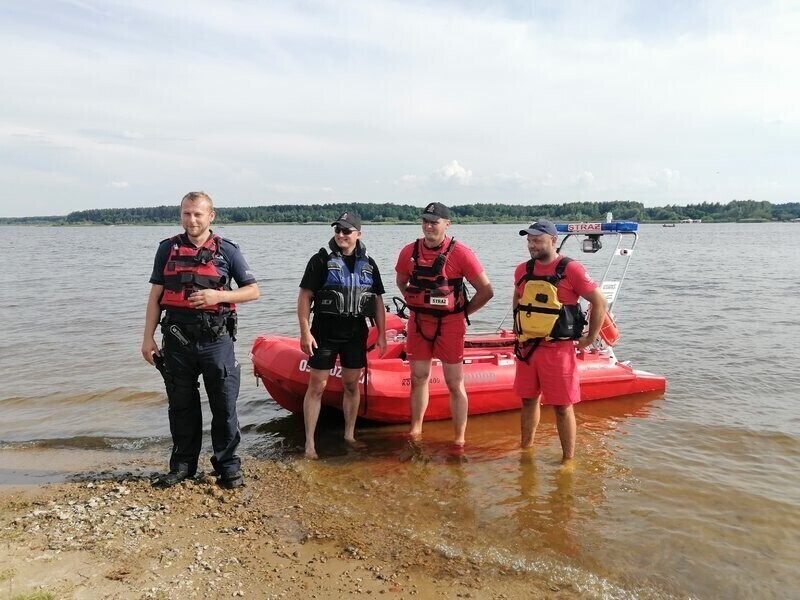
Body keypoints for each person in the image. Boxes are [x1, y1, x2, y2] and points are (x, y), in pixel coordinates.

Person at [141, 192, 260, 489]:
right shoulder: (167, 249)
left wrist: (219, 295)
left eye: (197, 214)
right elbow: (156, 296)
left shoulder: (228, 251)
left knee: (224, 406)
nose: (191, 220)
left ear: (211, 216)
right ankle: (182, 466)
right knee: (181, 406)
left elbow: (252, 291)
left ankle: (228, 467)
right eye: (186, 214)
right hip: (177, 340)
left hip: (216, 340)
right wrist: (147, 338)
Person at [395, 202, 493, 446]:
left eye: (434, 222)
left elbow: (486, 290)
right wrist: (416, 303)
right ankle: (416, 429)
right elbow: (401, 282)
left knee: (454, 382)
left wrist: (461, 313)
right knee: (418, 377)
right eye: (425, 221)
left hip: (450, 324)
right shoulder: (409, 251)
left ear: (446, 224)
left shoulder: (461, 253)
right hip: (419, 323)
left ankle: (459, 439)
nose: (429, 226)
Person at [512, 219, 607, 463]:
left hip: (558, 349)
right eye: (530, 241)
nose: (532, 245)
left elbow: (599, 302)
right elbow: (518, 297)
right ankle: (526, 449)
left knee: (563, 406)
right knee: (528, 400)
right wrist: (517, 329)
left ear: (553, 241)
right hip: (528, 346)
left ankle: (568, 460)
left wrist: (591, 337)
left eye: (538, 241)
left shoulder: (570, 269)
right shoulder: (522, 269)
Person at [297, 211, 387, 459]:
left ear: (358, 234)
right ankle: (310, 445)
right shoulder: (320, 260)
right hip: (324, 330)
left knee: (351, 384)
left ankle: (349, 434)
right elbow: (305, 296)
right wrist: (305, 332)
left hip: (355, 331)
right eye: (337, 230)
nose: (340, 234)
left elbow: (377, 299)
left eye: (346, 231)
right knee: (317, 385)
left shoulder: (369, 263)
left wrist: (381, 334)